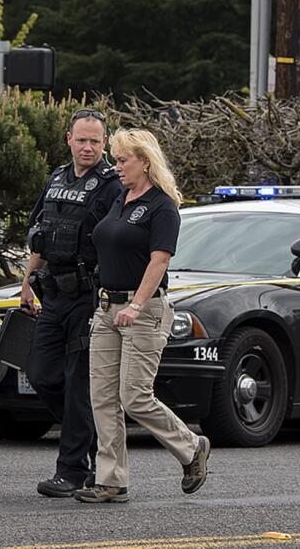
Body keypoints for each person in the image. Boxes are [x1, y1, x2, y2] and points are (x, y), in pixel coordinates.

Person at [74, 128, 210, 504]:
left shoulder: (162, 206)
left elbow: (160, 259)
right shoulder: (120, 198)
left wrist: (135, 305)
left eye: (122, 160)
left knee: (134, 396)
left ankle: (191, 446)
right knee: (102, 397)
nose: (116, 167)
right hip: (105, 309)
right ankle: (111, 480)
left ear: (145, 162)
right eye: (115, 160)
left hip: (143, 310)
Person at [20, 109, 124, 498]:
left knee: (80, 384)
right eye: (82, 139)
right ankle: (95, 439)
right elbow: (41, 236)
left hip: (88, 297)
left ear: (104, 143)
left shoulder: (112, 186)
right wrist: (27, 281)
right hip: (53, 294)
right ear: (69, 139)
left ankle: (71, 470)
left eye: (96, 141)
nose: (88, 147)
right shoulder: (57, 180)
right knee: (42, 374)